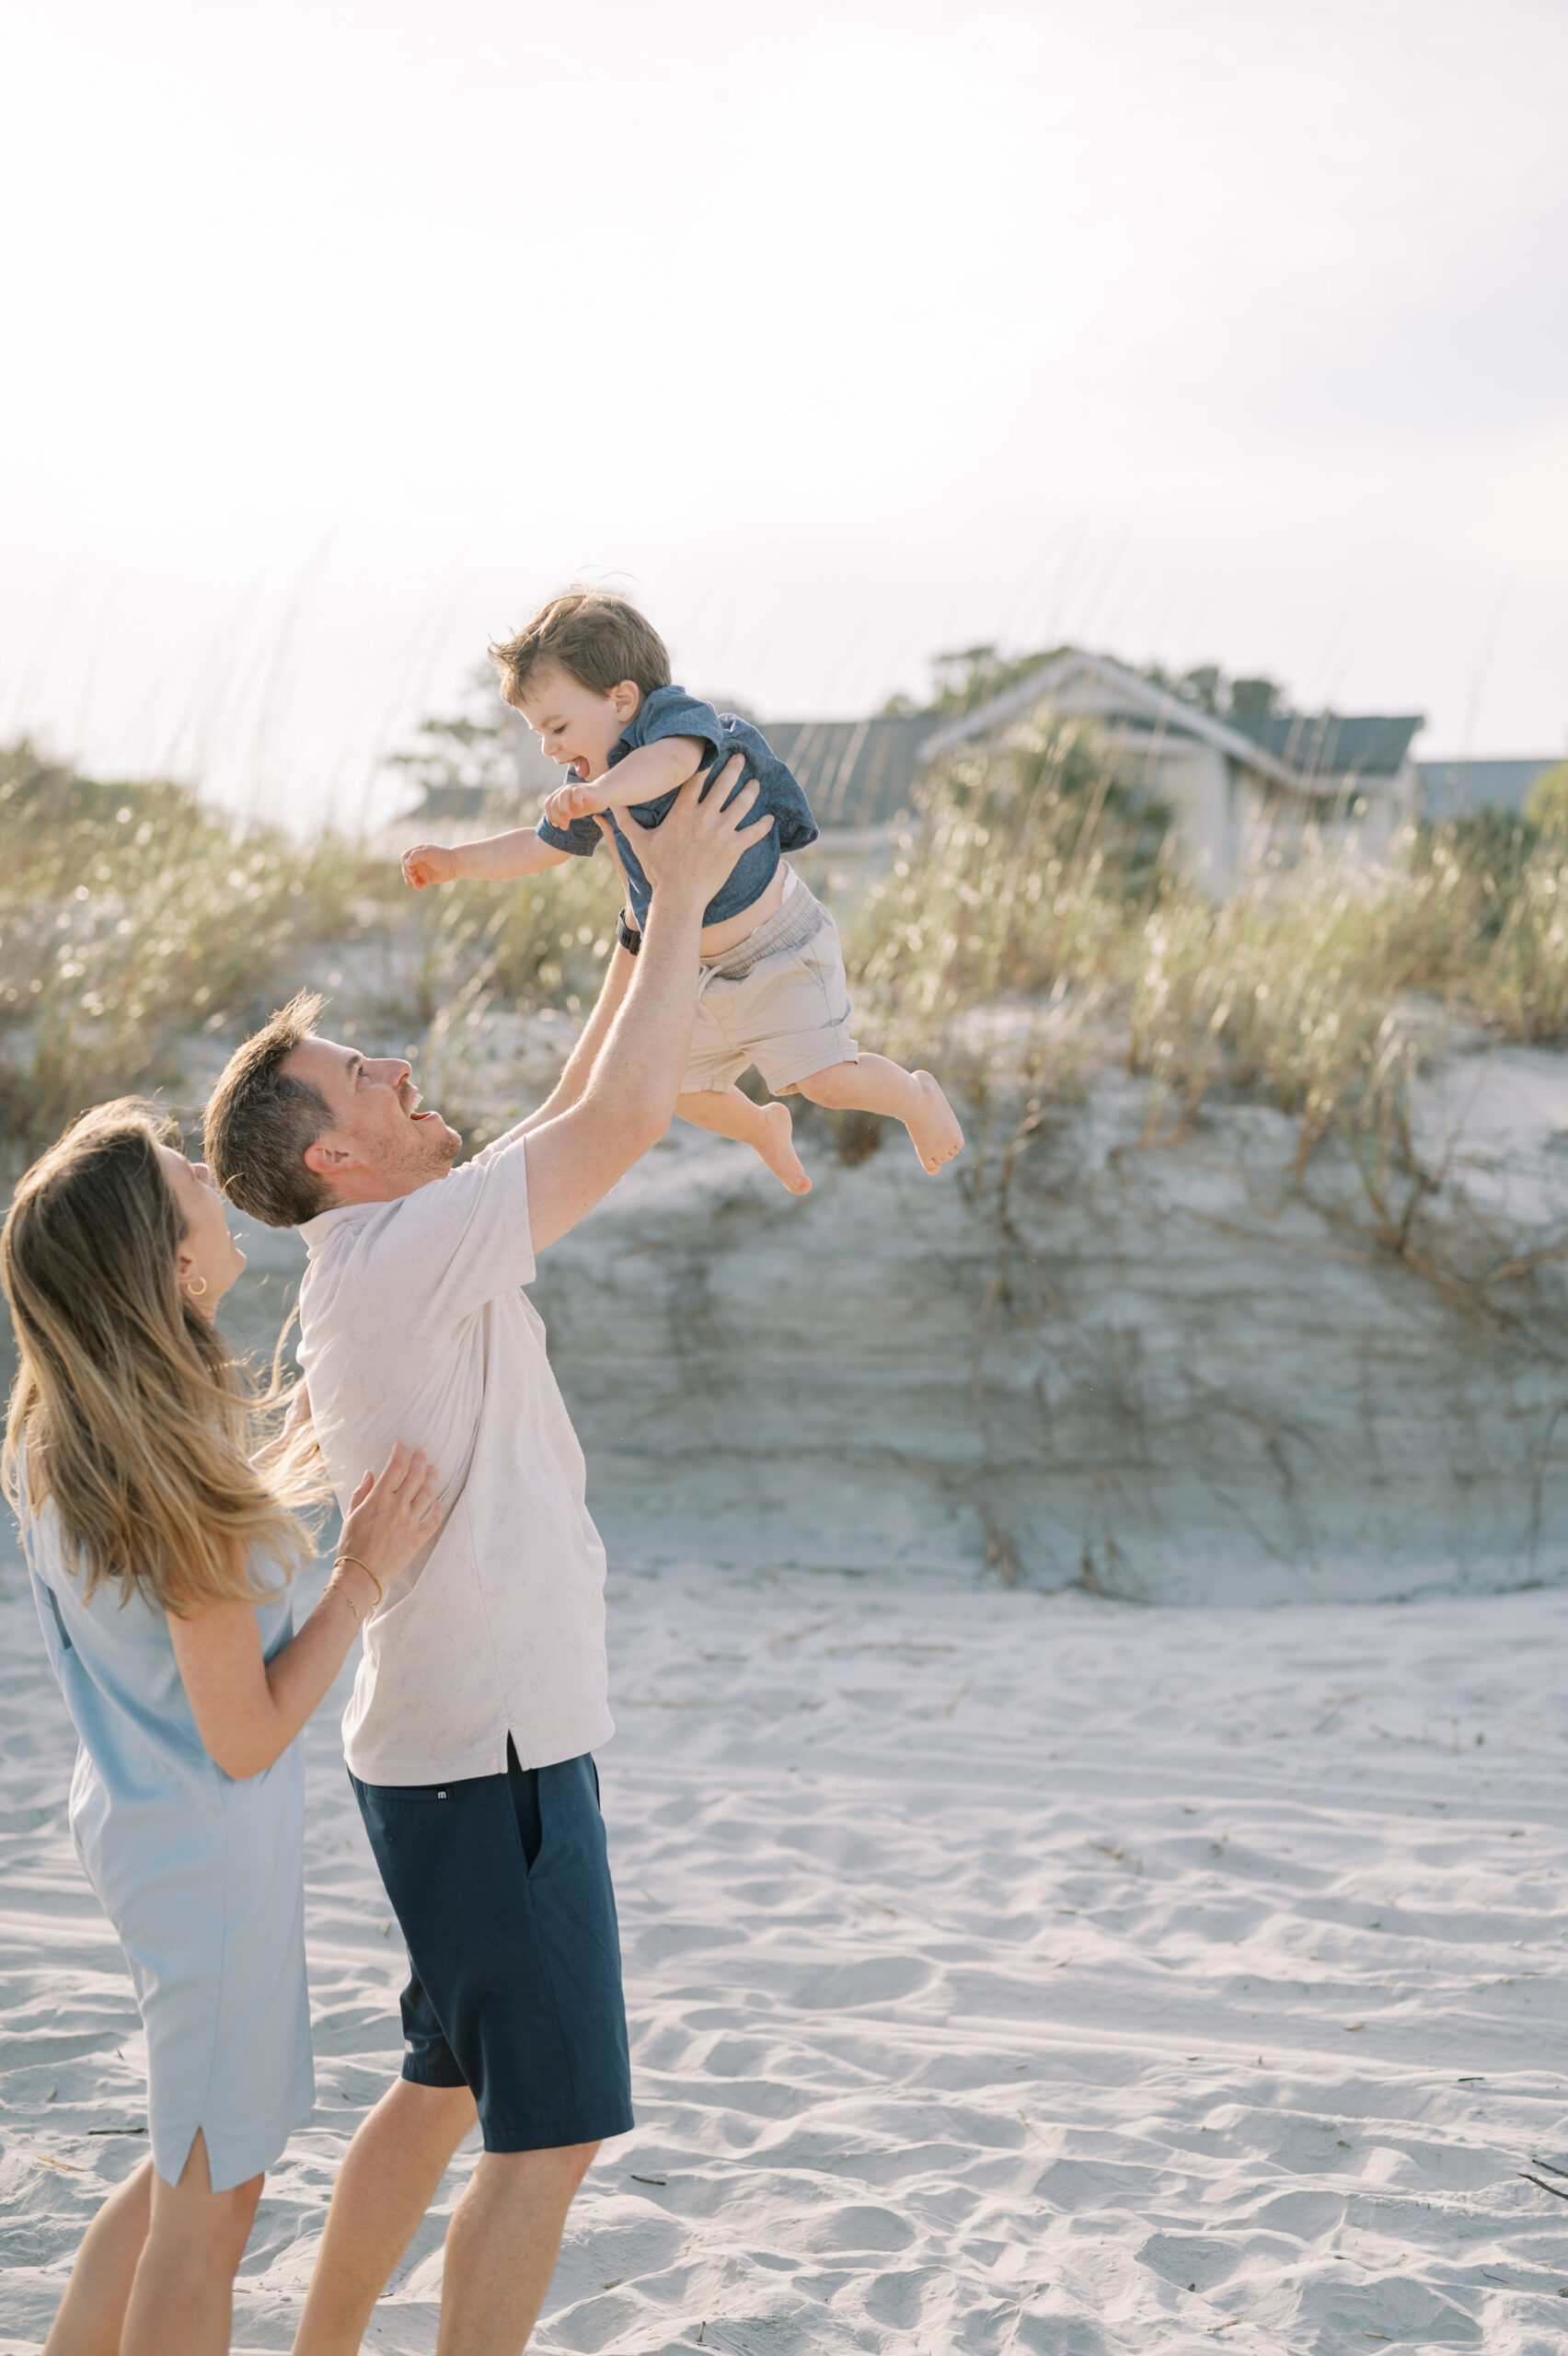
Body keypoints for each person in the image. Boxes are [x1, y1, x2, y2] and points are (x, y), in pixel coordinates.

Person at [201, 765, 769, 2356]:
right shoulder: (387, 1258)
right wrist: (678, 906)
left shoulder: (392, 1242)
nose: (392, 1066)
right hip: (492, 1764)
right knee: (550, 2132)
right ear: (333, 1161)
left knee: (444, 2086)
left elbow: (564, 1114)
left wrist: (629, 936)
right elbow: (624, 1119)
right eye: (359, 1079)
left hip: (458, 1756)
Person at [0, 1099, 441, 2356]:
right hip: (209, 1857)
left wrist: (284, 1454)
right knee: (212, 2207)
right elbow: (246, 1733)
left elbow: (184, 1581)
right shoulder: (162, 1465)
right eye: (182, 1174)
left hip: (148, 1838)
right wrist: (361, 1577)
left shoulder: (70, 1438)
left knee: (179, 2169)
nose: (207, 1168)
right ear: (173, 1264)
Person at [400, 588, 964, 1194]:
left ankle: (915, 1097)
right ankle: (761, 1129)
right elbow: (540, 846)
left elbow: (670, 765)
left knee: (826, 1081)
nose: (550, 747)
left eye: (558, 726)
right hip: (695, 972)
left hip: (779, 948)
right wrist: (457, 861)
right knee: (678, 1089)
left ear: (621, 699)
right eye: (539, 732)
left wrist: (603, 793)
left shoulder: (670, 720)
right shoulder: (590, 782)